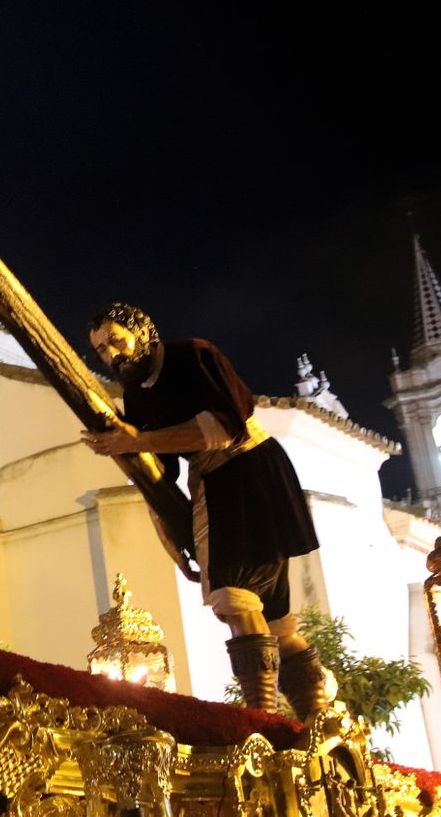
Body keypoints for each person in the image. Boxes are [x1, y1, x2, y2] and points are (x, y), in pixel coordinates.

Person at [81, 302, 327, 717]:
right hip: (219, 483)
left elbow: (223, 426)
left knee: (234, 598)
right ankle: (316, 718)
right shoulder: (137, 394)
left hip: (244, 474)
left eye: (116, 340)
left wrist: (135, 442)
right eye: (101, 350)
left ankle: (261, 722)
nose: (112, 355)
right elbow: (159, 469)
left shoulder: (193, 356)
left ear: (142, 331)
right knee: (278, 621)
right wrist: (171, 533)